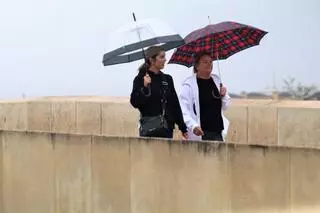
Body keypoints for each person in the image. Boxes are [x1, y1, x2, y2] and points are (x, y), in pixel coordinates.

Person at [130, 46, 188, 140]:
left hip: (167, 129)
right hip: (149, 128)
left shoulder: (167, 79)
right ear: (152, 60)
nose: (165, 60)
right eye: (161, 57)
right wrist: (144, 87)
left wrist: (183, 127)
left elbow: (175, 104)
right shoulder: (140, 79)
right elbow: (135, 102)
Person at [178, 51, 231, 141]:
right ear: (197, 66)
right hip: (200, 133)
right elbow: (184, 110)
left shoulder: (217, 80)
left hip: (218, 133)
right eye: (205, 62)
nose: (209, 64)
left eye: (211, 62)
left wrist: (224, 95)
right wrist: (193, 126)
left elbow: (226, 106)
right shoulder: (188, 85)